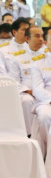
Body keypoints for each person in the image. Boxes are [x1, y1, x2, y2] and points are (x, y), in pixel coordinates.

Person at [6, 26, 44, 136]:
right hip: (27, 93)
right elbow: (14, 80)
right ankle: (29, 135)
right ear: (27, 38)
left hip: (46, 91)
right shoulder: (17, 57)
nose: (41, 39)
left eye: (42, 36)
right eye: (37, 36)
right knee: (26, 101)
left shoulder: (48, 55)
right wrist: (29, 91)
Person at [31, 28, 51, 169]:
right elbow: (37, 88)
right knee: (44, 116)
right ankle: (46, 147)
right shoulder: (38, 63)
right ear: (46, 42)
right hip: (46, 101)